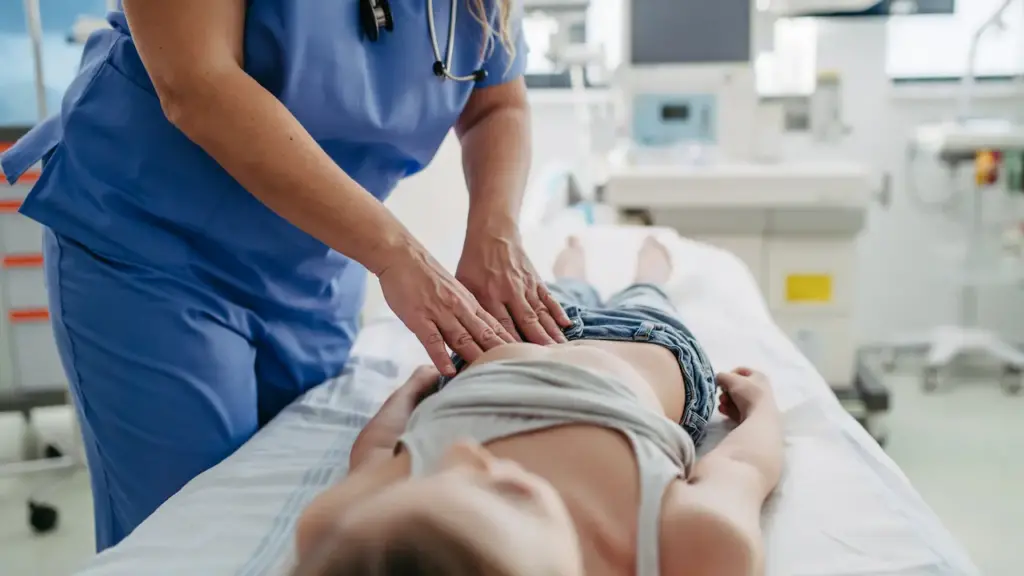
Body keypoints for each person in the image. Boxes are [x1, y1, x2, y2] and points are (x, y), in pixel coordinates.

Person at [0, 0, 568, 551]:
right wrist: (398, 254)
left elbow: (498, 103)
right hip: (154, 247)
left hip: (317, 266)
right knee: (191, 536)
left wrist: (496, 230)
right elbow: (196, 82)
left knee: (300, 520)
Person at [292, 237, 785, 576]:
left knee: (554, 292)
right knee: (646, 297)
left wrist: (409, 394)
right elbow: (741, 466)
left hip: (504, 340)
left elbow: (375, 452)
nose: (469, 454)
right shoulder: (695, 544)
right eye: (509, 491)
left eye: (445, 476)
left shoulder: (371, 534)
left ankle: (572, 269)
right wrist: (762, 408)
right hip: (645, 346)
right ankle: (650, 269)